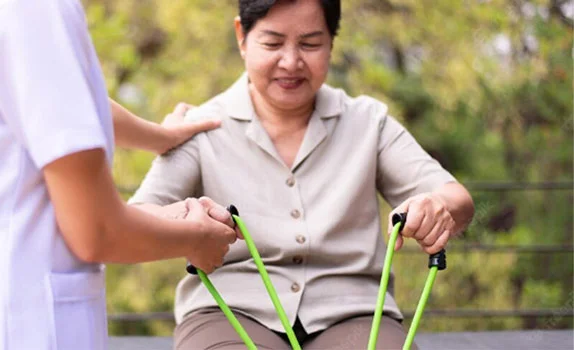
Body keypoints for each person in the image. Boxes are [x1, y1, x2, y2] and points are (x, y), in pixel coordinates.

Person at [0, 0, 239, 349]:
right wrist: (197, 238)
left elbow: (57, 94)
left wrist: (159, 137)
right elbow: (97, 232)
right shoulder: (34, 10)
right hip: (6, 319)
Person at [128, 0, 475, 349]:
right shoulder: (200, 127)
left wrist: (434, 207)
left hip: (355, 314)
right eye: (273, 43)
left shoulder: (368, 121)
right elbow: (140, 216)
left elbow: (455, 198)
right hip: (229, 312)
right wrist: (188, 221)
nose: (291, 62)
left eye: (309, 44)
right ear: (242, 37)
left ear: (331, 43)